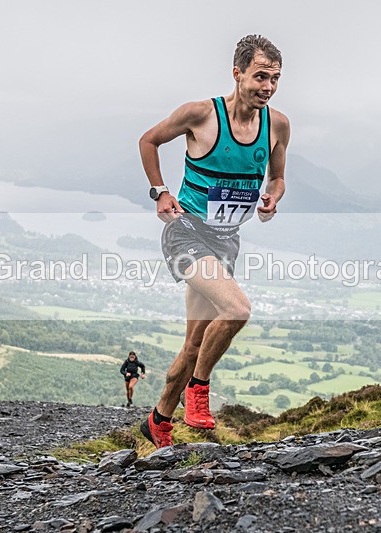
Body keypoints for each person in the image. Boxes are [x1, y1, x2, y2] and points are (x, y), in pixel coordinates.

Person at [138, 34, 290, 448]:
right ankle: (198, 392)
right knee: (237, 309)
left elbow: (277, 177)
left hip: (226, 241)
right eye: (260, 76)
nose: (268, 87)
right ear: (237, 73)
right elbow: (148, 140)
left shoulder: (277, 125)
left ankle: (157, 422)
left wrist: (273, 197)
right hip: (186, 231)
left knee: (193, 345)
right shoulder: (201, 114)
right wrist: (160, 191)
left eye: (275, 78)